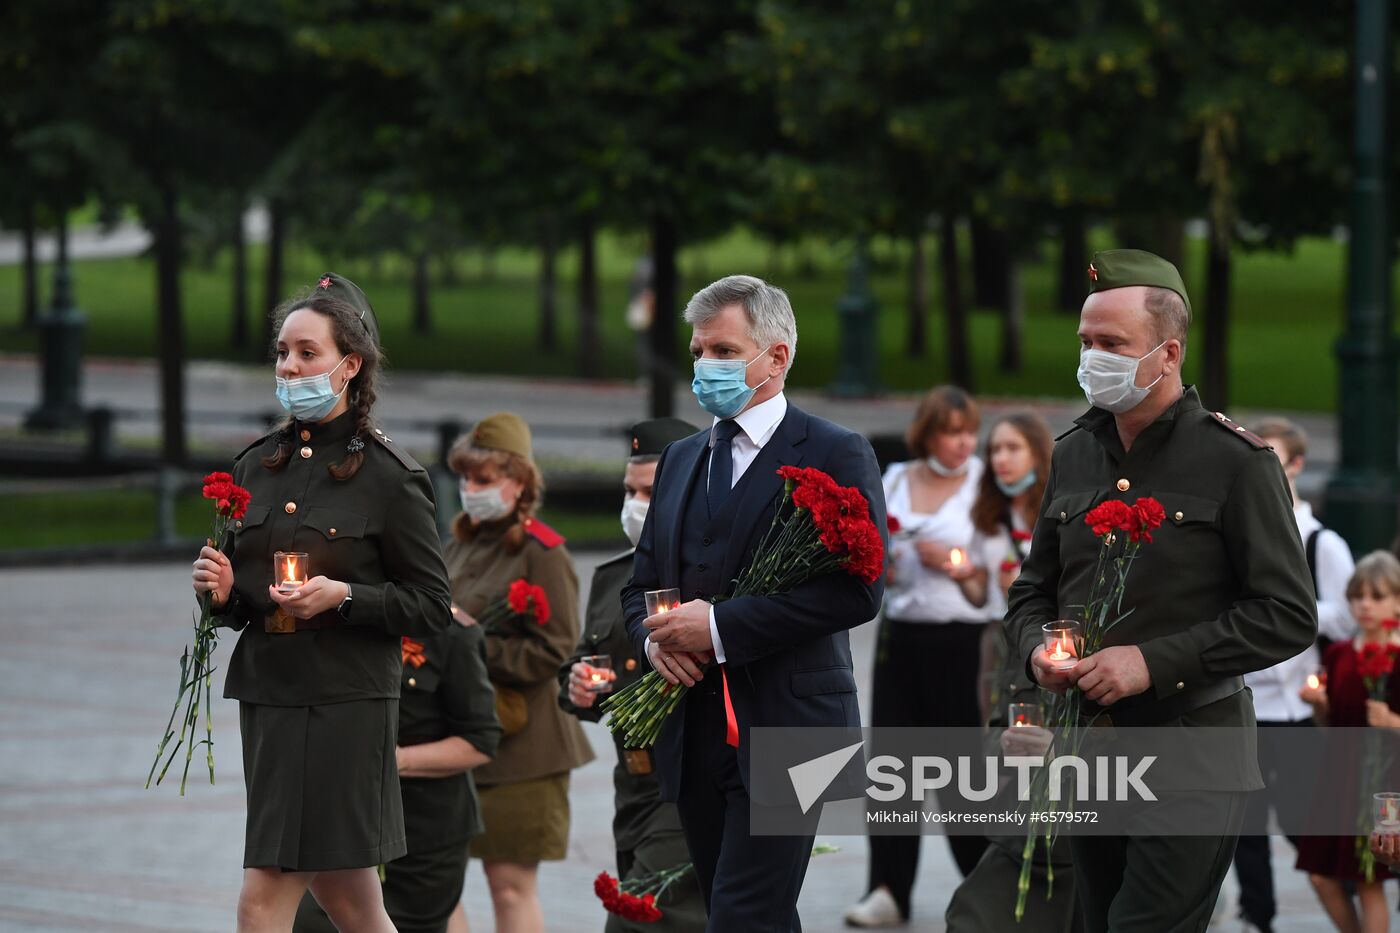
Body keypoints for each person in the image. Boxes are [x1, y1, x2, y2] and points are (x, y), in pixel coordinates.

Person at [1006, 249, 1317, 932]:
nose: (1092, 357)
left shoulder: (1236, 462)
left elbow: (1289, 615)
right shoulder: (1075, 452)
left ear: (1168, 352)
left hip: (1192, 752)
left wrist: (1154, 661)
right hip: (1089, 750)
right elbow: (1032, 591)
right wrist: (1036, 655)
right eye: (1086, 341)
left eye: (1112, 344)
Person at [621, 274, 887, 932]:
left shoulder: (834, 450)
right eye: (698, 351)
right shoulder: (681, 457)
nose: (705, 366)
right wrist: (654, 640)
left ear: (776, 357)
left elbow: (860, 587)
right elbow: (640, 583)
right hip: (693, 726)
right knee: (743, 911)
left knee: (742, 916)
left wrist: (717, 626)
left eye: (722, 351)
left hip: (793, 727)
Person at [191, 272, 453, 933]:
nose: (290, 366)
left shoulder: (392, 478)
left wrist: (344, 598)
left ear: (350, 363)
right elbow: (252, 603)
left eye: (308, 352)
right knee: (351, 897)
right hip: (271, 700)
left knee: (262, 899)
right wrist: (223, 597)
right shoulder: (258, 465)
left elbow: (430, 605)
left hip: (341, 704)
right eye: (283, 351)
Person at [845, 386, 990, 929]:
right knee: (892, 769)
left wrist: (962, 569)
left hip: (962, 640)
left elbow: (1003, 568)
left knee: (963, 773)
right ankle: (888, 888)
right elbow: (874, 553)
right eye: (950, 431)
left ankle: (984, 884)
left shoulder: (983, 484)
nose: (962, 443)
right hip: (901, 636)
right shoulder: (898, 480)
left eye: (969, 431)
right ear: (927, 433)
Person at [444, 413, 594, 933]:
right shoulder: (461, 541)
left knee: (509, 887)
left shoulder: (542, 553)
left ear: (519, 482)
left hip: (524, 748)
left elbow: (556, 650)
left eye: (483, 480)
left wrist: (471, 642)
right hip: (459, 737)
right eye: (466, 478)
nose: (470, 489)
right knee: (434, 885)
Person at [558, 416, 707, 932]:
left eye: (649, 491)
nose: (635, 503)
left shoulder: (708, 575)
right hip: (634, 786)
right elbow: (583, 664)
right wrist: (577, 686)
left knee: (637, 921)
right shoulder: (613, 578)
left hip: (689, 778)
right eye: (629, 490)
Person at [294, 622, 503, 933]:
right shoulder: (341, 620)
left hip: (424, 842)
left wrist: (396, 760)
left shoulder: (451, 632)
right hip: (351, 827)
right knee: (313, 923)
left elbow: (481, 740)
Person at [1232, 416, 1356, 933]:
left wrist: (1289, 611)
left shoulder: (1321, 541)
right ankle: (1257, 917)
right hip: (1243, 704)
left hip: (1298, 707)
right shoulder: (1238, 529)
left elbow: (1347, 613)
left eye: (1273, 460)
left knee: (1305, 822)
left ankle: (1346, 898)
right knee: (1244, 827)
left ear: (1298, 465)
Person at [1296, 551, 1400, 933]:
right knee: (1322, 876)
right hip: (1341, 778)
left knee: (1369, 881)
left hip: (1385, 783)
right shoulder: (1339, 654)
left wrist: (1391, 722)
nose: (1365, 605)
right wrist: (1320, 708)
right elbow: (1333, 729)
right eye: (1357, 597)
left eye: (1377, 596)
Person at [948, 411, 1054, 722]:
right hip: (997, 637)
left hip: (1042, 637)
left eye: (1012, 448)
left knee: (1041, 733)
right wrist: (963, 578)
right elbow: (979, 598)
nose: (1001, 458)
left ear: (1036, 452)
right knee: (997, 733)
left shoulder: (1055, 511)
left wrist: (1021, 588)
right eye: (995, 449)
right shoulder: (988, 516)